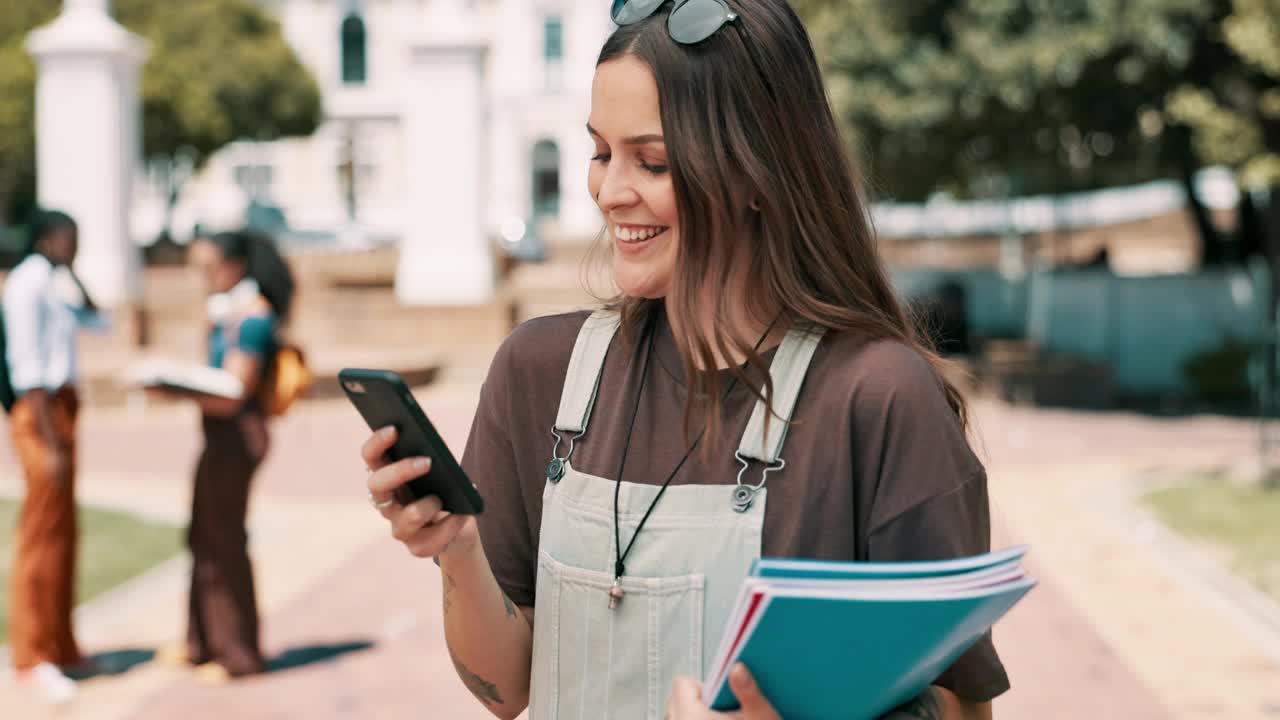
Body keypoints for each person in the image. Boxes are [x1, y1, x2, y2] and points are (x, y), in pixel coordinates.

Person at [363, 1, 1007, 717]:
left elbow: (960, 706)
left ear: (760, 171)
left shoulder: (877, 398)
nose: (610, 193)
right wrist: (457, 551)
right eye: (601, 153)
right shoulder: (536, 371)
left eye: (654, 162)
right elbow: (510, 688)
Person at [152, 229, 294, 682]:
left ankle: (239, 653)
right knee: (201, 535)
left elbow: (234, 391)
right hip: (217, 437)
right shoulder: (226, 313)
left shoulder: (251, 318)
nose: (203, 278)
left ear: (235, 267)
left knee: (226, 540)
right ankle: (201, 642)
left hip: (237, 437)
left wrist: (174, 389)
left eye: (209, 268)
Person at [4, 210, 107, 703]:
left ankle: (62, 644)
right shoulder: (27, 284)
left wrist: (75, 277)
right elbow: (28, 369)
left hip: (61, 410)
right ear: (48, 238)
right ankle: (30, 655)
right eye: (72, 239)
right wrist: (48, 441)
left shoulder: (54, 282)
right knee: (40, 536)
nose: (77, 247)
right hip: (40, 414)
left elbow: (100, 322)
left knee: (64, 530)